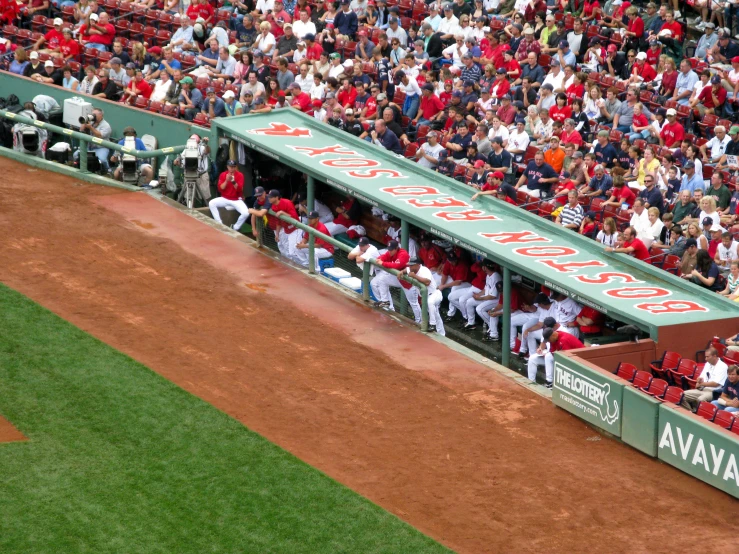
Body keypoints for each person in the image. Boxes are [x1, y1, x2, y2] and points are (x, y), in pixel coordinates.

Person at [403, 257, 445, 336]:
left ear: (418, 265)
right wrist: (401, 272)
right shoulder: (411, 269)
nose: (410, 267)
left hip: (435, 294)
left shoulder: (424, 270)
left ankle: (432, 324)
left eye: (412, 265)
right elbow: (405, 270)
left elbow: (427, 282)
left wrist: (414, 276)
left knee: (430, 303)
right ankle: (442, 333)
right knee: (436, 315)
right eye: (409, 265)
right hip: (426, 296)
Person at [681, 347, 729, 412]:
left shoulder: (723, 366)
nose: (705, 359)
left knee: (700, 399)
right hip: (702, 389)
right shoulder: (707, 364)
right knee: (682, 395)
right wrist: (698, 381)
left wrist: (701, 383)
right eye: (705, 357)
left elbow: (716, 384)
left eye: (707, 357)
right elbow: (701, 377)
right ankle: (691, 412)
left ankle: (696, 414)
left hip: (713, 392)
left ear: (714, 356)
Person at [208, 160, 249, 231]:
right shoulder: (223, 175)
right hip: (225, 198)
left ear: (235, 167)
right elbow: (221, 188)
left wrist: (233, 181)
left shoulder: (240, 175)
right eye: (230, 167)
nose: (232, 168)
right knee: (211, 203)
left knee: (246, 213)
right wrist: (227, 180)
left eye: (233, 167)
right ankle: (219, 223)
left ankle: (235, 227)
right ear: (227, 167)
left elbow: (239, 190)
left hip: (236, 199)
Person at [370, 239, 409, 311]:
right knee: (381, 280)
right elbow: (384, 256)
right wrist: (379, 259)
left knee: (413, 303)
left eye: (391, 250)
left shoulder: (403, 254)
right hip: (397, 277)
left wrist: (383, 263)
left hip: (408, 280)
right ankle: (385, 303)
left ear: (396, 248)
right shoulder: (390, 252)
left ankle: (419, 321)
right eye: (389, 249)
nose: (389, 251)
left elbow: (397, 266)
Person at [267, 189, 301, 261]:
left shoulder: (287, 202)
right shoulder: (274, 206)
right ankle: (291, 264)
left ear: (276, 197)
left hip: (295, 229)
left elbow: (294, 217)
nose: (269, 198)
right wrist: (277, 234)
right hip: (286, 229)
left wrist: (282, 212)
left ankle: (304, 265)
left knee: (293, 252)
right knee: (283, 248)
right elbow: (278, 222)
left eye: (271, 197)